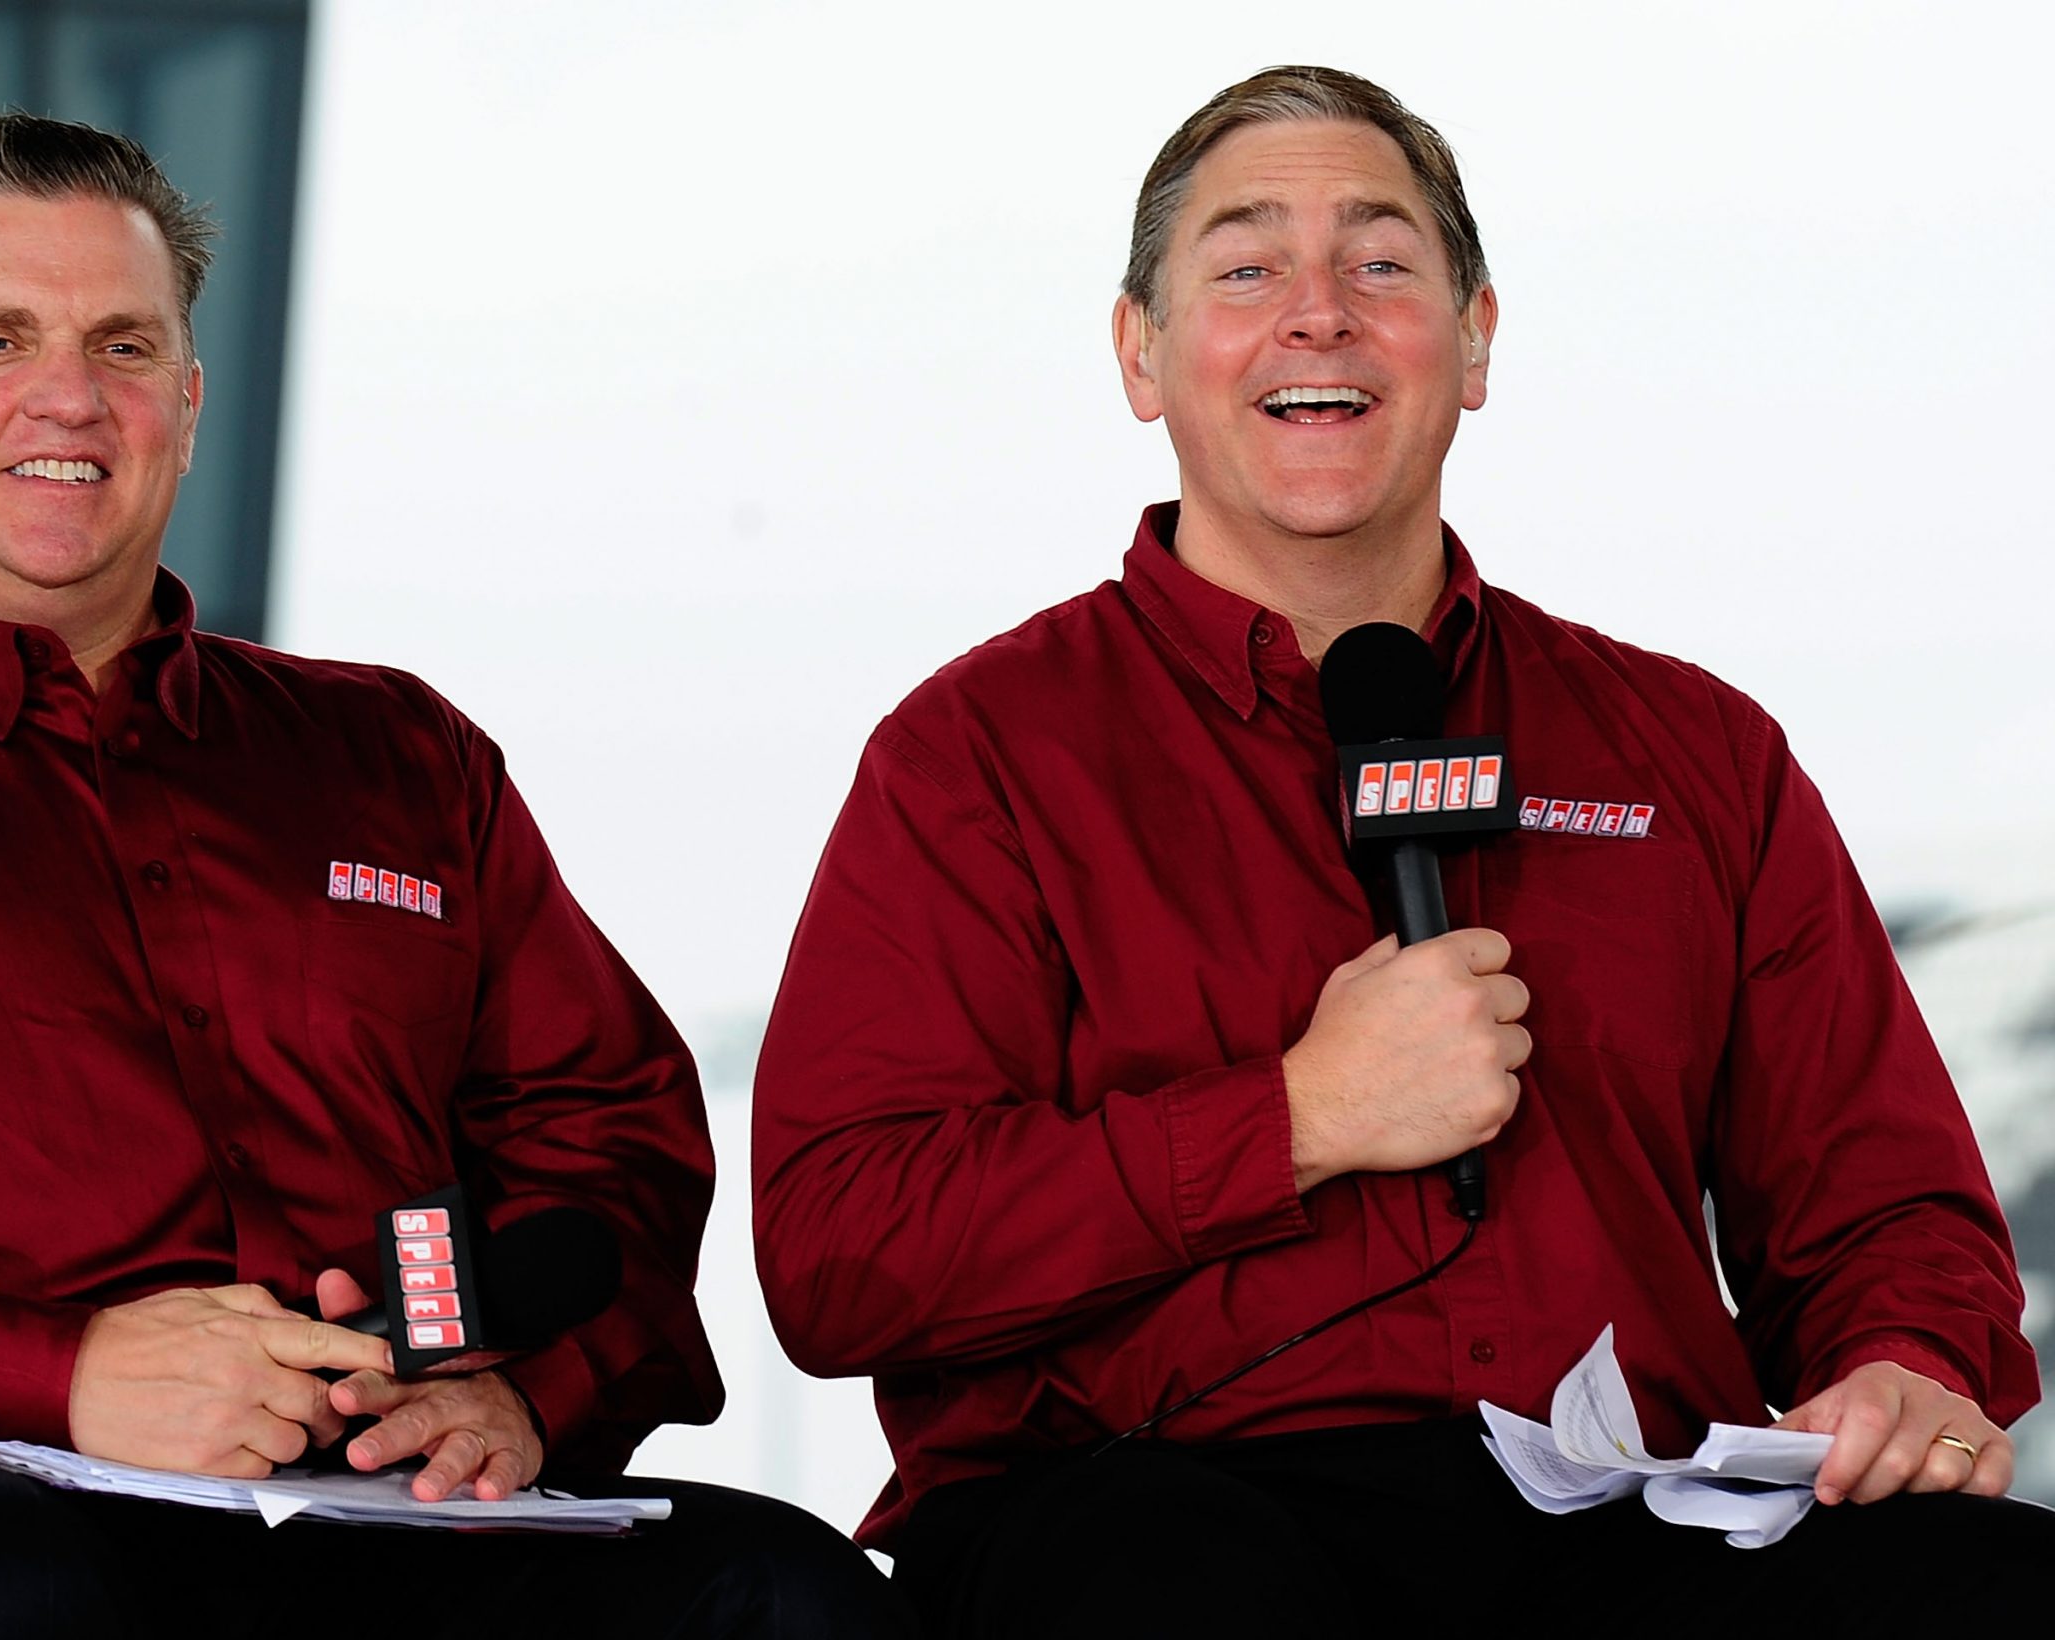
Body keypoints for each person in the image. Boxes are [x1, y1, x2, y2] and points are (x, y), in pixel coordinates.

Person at [0, 112, 910, 1639]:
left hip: (381, 1497)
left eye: (123, 347)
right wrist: (64, 1374)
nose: (68, 394)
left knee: (782, 1592)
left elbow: (602, 1136)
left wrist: (517, 1390)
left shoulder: (401, 758)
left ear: (186, 404)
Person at [750, 65, 2049, 1634]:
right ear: (1142, 354)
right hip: (1164, 1508)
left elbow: (1887, 1206)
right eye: (1247, 269)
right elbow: (842, 1255)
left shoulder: (1696, 754)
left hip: (1632, 1522)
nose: (1319, 315)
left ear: (1476, 340)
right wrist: (1294, 1117)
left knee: (1996, 1587)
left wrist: (1907, 1362)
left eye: (1379, 261)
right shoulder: (978, 757)